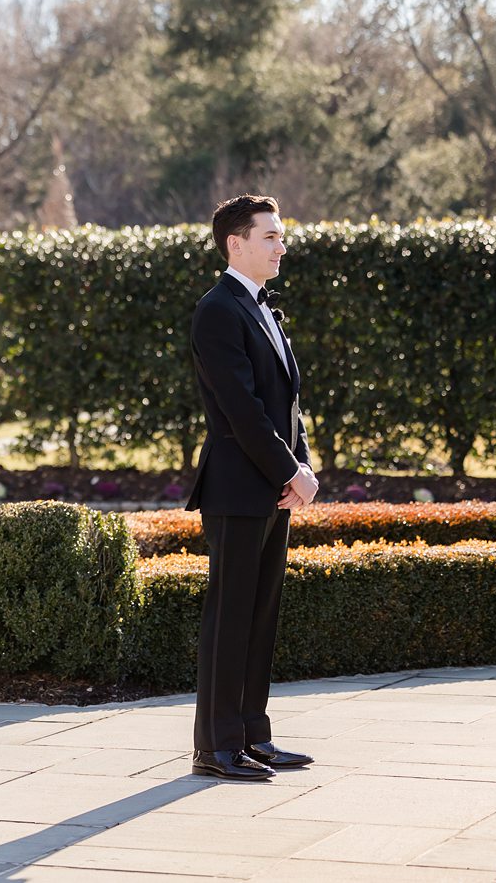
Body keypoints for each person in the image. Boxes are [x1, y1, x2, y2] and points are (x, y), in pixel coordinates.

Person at [186, 194, 319, 781]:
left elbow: (287, 405)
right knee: (230, 617)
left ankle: (252, 738)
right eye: (270, 236)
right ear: (235, 243)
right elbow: (241, 410)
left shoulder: (266, 308)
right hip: (239, 487)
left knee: (261, 617)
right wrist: (291, 472)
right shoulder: (217, 311)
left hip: (272, 488)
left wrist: (301, 468)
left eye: (280, 235)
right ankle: (214, 747)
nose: (281, 245)